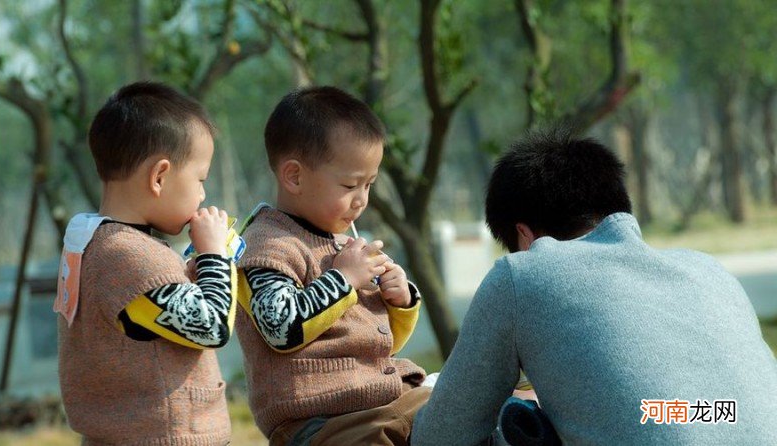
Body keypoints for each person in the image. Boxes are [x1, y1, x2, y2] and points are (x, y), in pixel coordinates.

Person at [412, 128, 777, 445]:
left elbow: (443, 437)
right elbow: (680, 413)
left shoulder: (522, 273)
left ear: (524, 236)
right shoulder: (708, 268)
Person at [235, 86, 430, 446]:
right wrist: (343, 279)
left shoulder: (343, 244)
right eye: (350, 184)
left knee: (471, 409)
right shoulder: (267, 246)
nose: (362, 200)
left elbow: (378, 342)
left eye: (369, 184)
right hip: (320, 420)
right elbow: (281, 328)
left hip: (383, 399)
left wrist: (398, 299)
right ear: (294, 176)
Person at [54, 82, 237, 445]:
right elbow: (212, 326)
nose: (202, 194)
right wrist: (216, 255)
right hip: (165, 436)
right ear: (160, 177)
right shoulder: (127, 256)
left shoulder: (97, 243)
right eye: (199, 179)